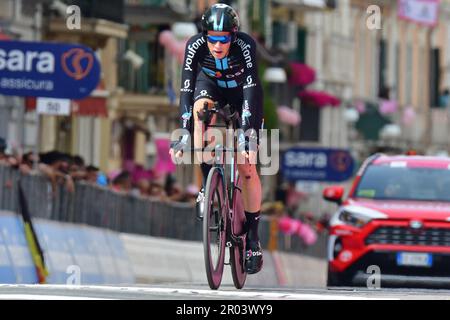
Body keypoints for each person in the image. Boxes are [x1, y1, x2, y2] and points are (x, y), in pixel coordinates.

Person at [169, 3, 263, 274]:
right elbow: (186, 87)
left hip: (242, 92)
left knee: (247, 166)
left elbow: (252, 90)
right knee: (200, 113)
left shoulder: (245, 46)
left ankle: (253, 235)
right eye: (212, 38)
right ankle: (207, 184)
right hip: (209, 86)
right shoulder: (195, 45)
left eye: (223, 39)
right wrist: (184, 132)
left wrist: (248, 135)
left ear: (233, 36)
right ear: (205, 35)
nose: (218, 44)